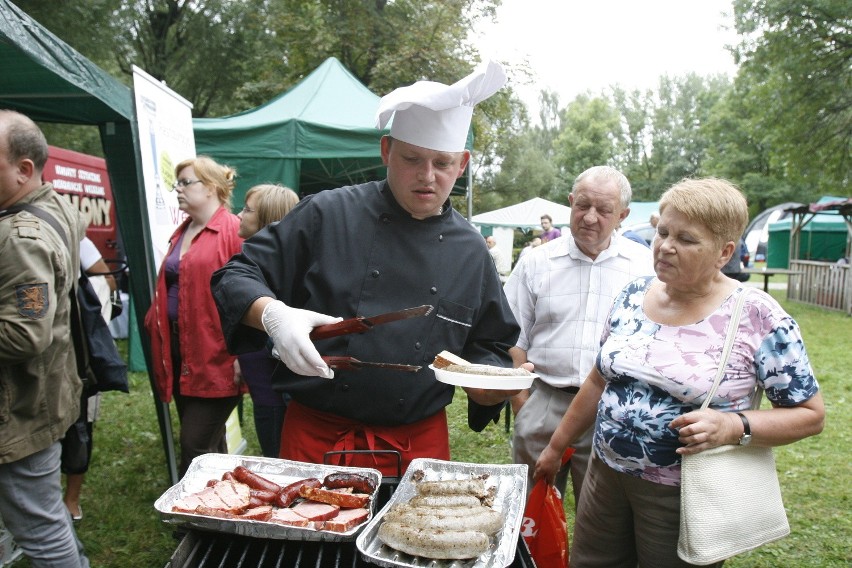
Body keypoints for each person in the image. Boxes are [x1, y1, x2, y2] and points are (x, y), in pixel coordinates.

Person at [212, 60, 523, 477]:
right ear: (386, 151)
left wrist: (491, 389)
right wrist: (272, 314)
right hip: (316, 437)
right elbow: (234, 276)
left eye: (443, 163)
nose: (427, 177)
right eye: (412, 159)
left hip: (418, 446)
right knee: (310, 543)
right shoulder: (326, 213)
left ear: (462, 164)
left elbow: (492, 345)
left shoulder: (471, 250)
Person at [535, 178, 825, 568]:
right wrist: (557, 447)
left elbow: (810, 415)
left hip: (686, 492)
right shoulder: (633, 294)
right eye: (663, 232)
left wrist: (733, 426)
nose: (666, 246)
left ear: (724, 252)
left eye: (686, 239)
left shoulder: (758, 316)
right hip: (605, 477)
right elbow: (599, 379)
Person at [503, 165, 654, 504]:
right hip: (545, 398)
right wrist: (523, 406)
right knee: (529, 513)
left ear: (623, 216)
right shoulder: (536, 262)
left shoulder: (644, 267)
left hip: (612, 406)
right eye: (582, 205)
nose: (589, 217)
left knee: (600, 518)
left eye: (604, 210)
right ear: (570, 202)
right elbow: (514, 336)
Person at [0, 109, 90, 566]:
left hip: (19, 409)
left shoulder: (20, 236)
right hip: (47, 394)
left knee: (41, 532)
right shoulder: (53, 204)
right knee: (47, 517)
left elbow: (22, 335)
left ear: (24, 169)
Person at [144, 155, 245, 477]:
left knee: (195, 444)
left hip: (215, 355)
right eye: (178, 184)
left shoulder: (232, 230)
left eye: (187, 183)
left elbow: (250, 292)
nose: (179, 190)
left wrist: (244, 351)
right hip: (180, 354)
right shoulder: (183, 230)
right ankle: (223, 512)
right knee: (209, 440)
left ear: (212, 187)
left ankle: (196, 516)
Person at [234, 183, 300, 458]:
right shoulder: (254, 261)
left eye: (247, 210)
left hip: (275, 395)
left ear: (266, 220)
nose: (238, 215)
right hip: (263, 388)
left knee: (278, 458)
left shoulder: (273, 270)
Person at [62, 236, 117, 523]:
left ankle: (71, 500)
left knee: (80, 427)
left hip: (77, 356)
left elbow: (108, 281)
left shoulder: (72, 235)